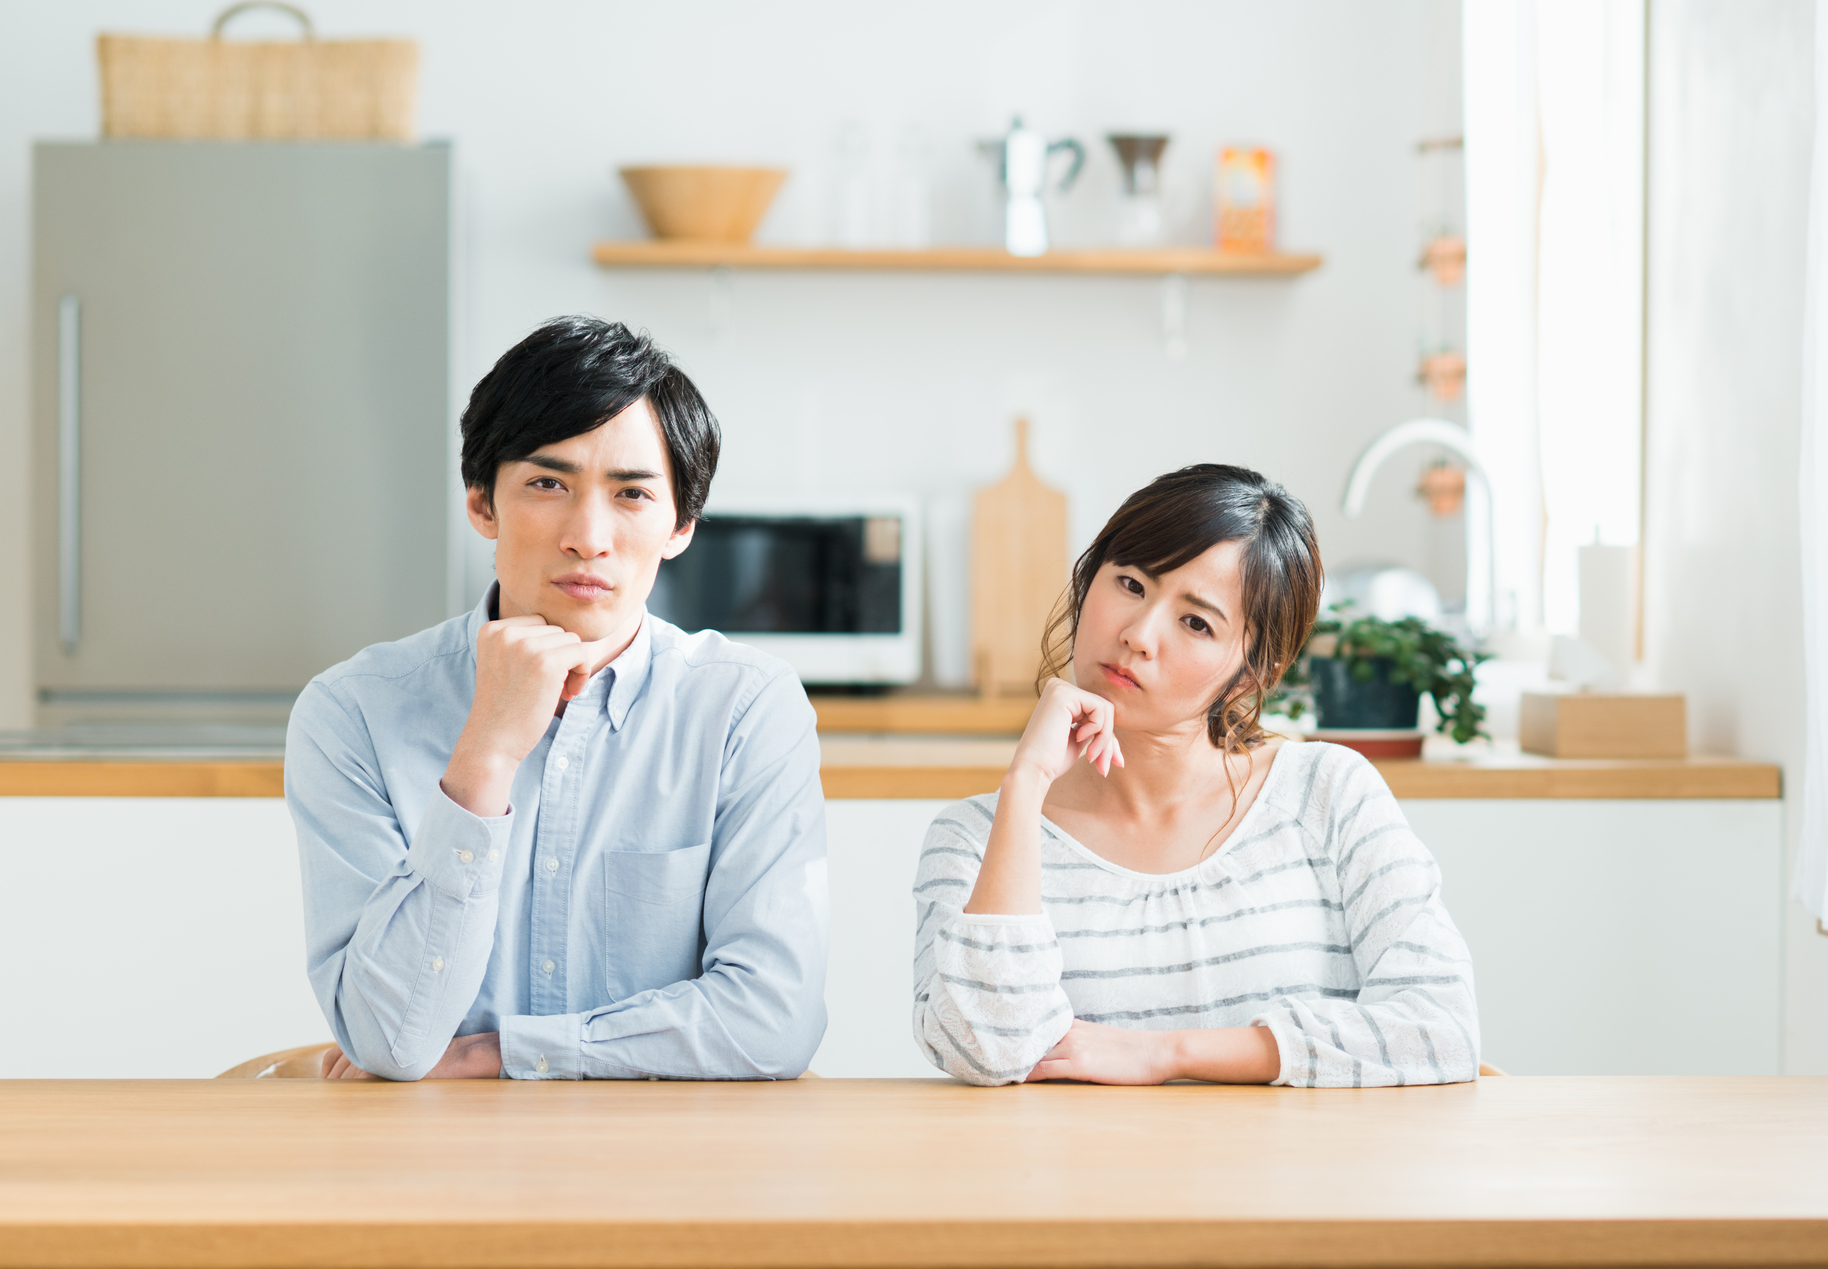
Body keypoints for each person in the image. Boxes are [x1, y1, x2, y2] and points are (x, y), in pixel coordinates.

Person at [289, 316, 827, 1082]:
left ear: (680, 526)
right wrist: (487, 755)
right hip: (430, 1175)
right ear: (482, 503)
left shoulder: (746, 709)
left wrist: (508, 1052)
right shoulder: (353, 713)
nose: (588, 536)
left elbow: (773, 1024)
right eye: (548, 484)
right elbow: (390, 1039)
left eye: (633, 494)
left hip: (672, 1174)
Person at [913, 465, 1479, 1087]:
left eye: (1196, 622)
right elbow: (989, 1052)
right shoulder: (973, 837)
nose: (1138, 635)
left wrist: (1169, 1053)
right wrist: (1025, 786)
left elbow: (1440, 1030)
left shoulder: (1328, 794)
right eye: (1129, 583)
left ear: (1252, 671)